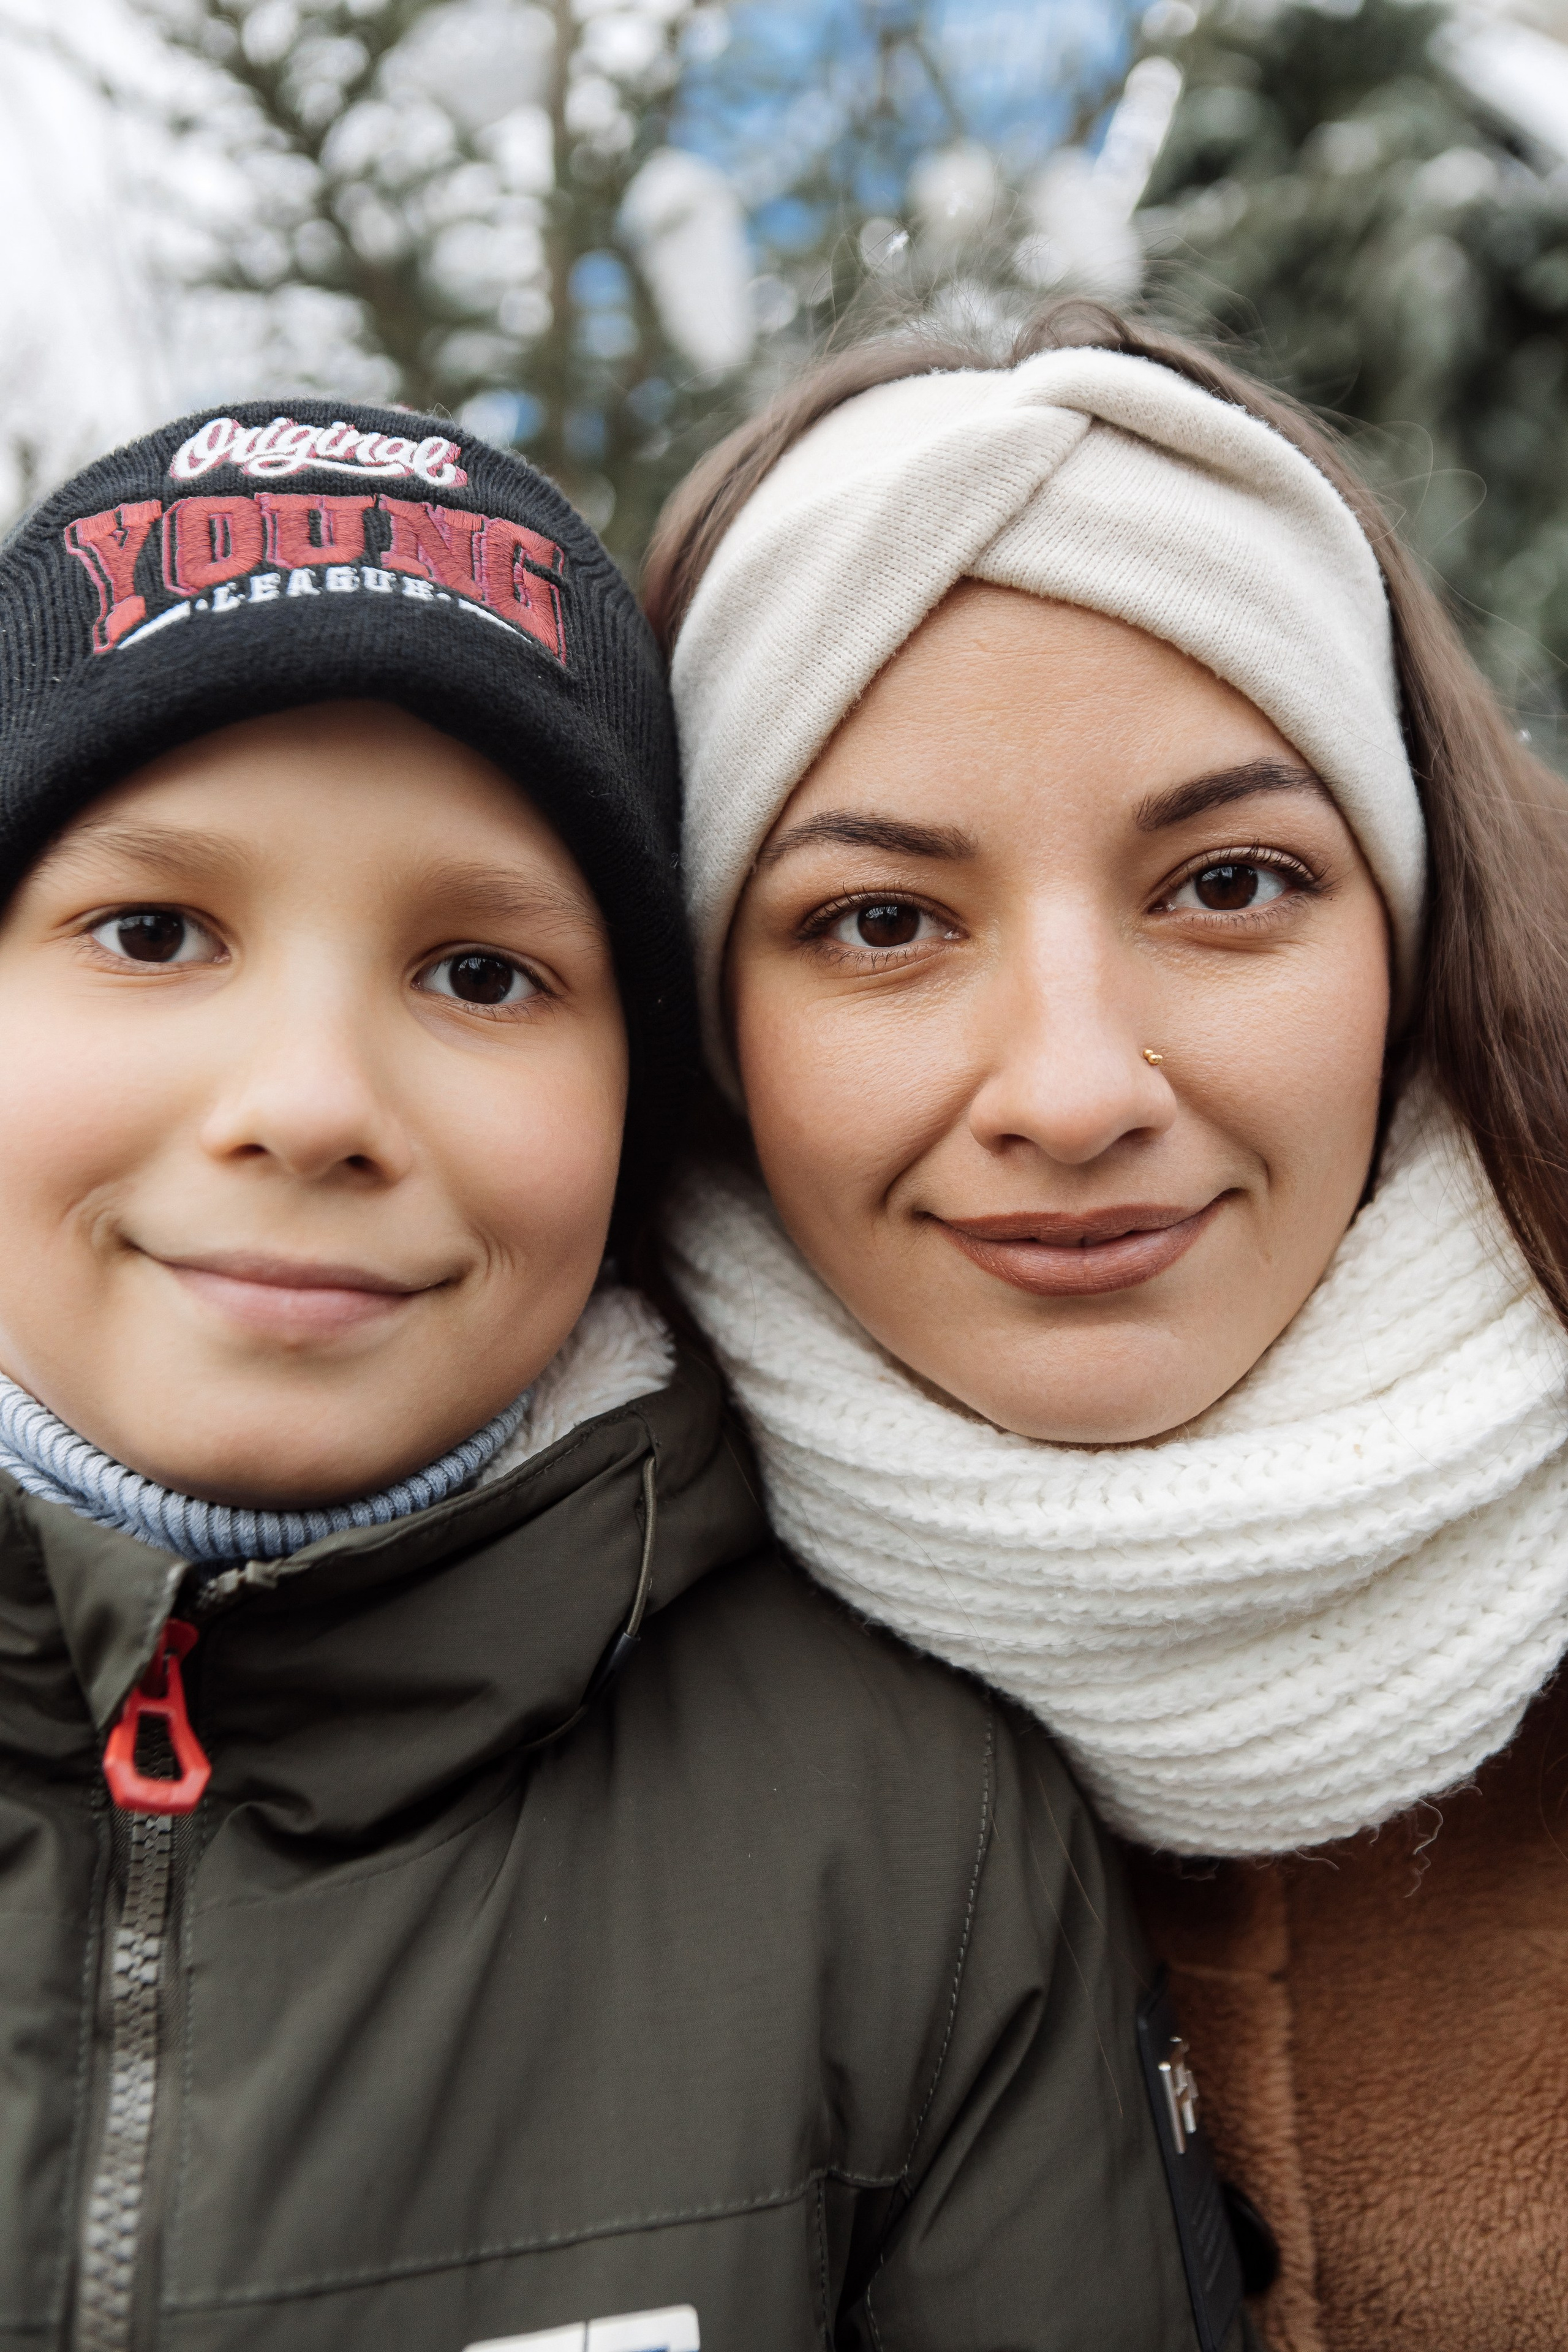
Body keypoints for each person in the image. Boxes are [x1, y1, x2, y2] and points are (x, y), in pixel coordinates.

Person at [0, 398, 1227, 2352]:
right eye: (153, 933)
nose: (310, 1104)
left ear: (639, 1098)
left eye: (482, 974)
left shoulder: (906, 1833)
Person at [646, 300, 1568, 2352]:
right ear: (708, 1028)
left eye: (1228, 884)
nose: (1073, 1094)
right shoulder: (486, 1692)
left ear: (1416, 944)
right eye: (881, 921)